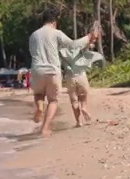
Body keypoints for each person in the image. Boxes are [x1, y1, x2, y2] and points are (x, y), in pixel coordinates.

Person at [27, 8, 97, 137]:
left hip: (37, 70)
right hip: (53, 71)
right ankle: (45, 128)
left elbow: (32, 53)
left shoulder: (33, 35)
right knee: (53, 100)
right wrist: (88, 37)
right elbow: (73, 45)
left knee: (38, 95)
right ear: (54, 21)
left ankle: (40, 108)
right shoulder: (56, 33)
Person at [62, 36, 104, 127]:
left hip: (69, 77)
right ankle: (84, 107)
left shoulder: (61, 51)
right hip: (81, 75)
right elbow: (87, 44)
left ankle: (78, 122)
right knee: (83, 95)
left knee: (74, 100)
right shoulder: (78, 48)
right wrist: (91, 42)